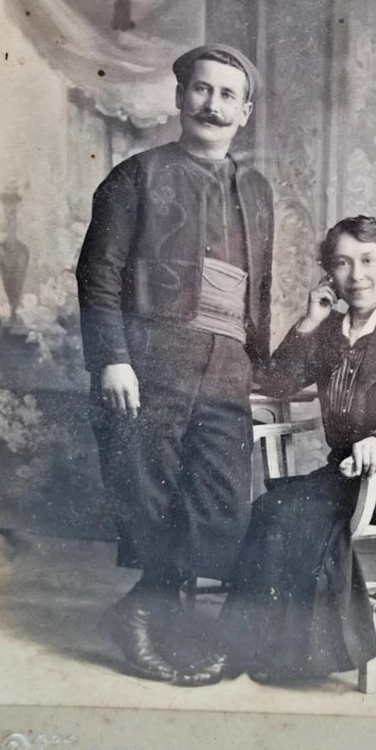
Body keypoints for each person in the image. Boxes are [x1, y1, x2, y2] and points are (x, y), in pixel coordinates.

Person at [76, 44, 274, 686]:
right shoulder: (136, 177)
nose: (211, 105)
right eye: (201, 90)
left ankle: (149, 613)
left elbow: (257, 287)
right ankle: (153, 619)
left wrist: (260, 368)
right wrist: (112, 359)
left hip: (227, 367)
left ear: (245, 112)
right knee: (153, 490)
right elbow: (98, 273)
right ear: (180, 96)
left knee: (218, 503)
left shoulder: (257, 189)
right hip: (153, 361)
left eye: (226, 95)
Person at [221, 215, 376, 684]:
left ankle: (306, 657)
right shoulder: (330, 332)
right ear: (330, 273)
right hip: (348, 472)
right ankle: (254, 645)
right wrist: (309, 322)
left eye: (368, 260)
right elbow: (273, 382)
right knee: (272, 507)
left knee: (302, 513)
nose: (357, 275)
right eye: (343, 263)